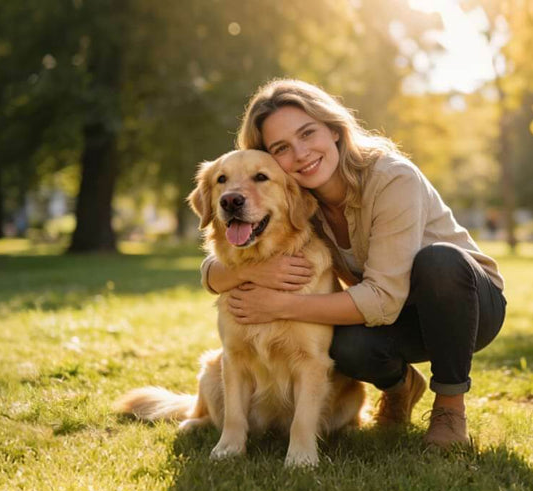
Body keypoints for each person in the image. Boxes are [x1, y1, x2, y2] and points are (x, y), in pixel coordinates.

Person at [199, 79, 506, 448]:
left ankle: (450, 410)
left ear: (334, 129)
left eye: (308, 133)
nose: (300, 153)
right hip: (391, 312)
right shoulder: (293, 199)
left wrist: (280, 304)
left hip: (464, 304)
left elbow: (382, 299)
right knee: (340, 347)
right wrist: (248, 271)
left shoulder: (393, 178)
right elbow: (212, 271)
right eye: (281, 147)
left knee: (438, 261)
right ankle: (401, 387)